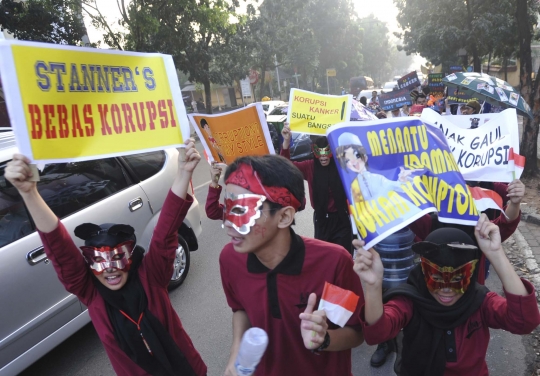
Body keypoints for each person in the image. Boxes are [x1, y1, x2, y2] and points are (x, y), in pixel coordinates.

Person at [4, 141, 207, 376]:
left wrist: (184, 173)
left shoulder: (151, 277)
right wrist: (30, 194)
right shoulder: (92, 295)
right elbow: (60, 249)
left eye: (117, 258)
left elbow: (165, 234)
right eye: (100, 260)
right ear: (90, 264)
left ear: (130, 257)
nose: (110, 269)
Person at [220, 155, 364, 376]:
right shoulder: (230, 259)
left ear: (285, 217)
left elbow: (355, 331)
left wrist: (323, 339)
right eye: (226, 208)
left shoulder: (333, 263)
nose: (229, 223)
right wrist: (236, 349)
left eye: (240, 210)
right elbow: (240, 308)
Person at [354, 217, 540, 376]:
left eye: (458, 278)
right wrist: (373, 286)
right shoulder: (411, 300)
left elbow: (524, 321)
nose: (445, 289)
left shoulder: (479, 302)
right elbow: (376, 333)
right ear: (424, 272)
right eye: (436, 277)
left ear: (470, 273)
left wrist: (496, 254)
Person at [280, 125, 353, 253]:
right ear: (314, 152)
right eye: (320, 152)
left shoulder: (342, 165)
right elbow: (285, 167)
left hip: (342, 219)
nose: (323, 157)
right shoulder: (310, 167)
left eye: (327, 152)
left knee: (344, 255)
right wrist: (286, 141)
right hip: (322, 220)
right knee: (325, 257)